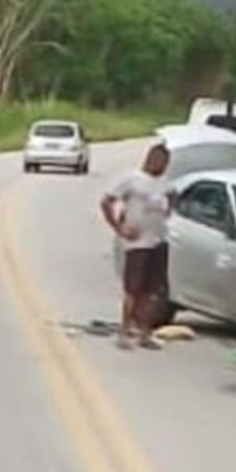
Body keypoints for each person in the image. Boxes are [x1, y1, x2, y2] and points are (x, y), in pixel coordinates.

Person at [100, 142, 173, 350]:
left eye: (164, 161)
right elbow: (107, 201)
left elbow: (172, 199)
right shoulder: (131, 180)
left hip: (158, 241)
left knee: (151, 291)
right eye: (157, 159)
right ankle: (124, 332)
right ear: (149, 158)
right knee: (133, 290)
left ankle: (145, 333)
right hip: (136, 243)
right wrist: (119, 228)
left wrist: (167, 215)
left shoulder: (165, 183)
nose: (160, 164)